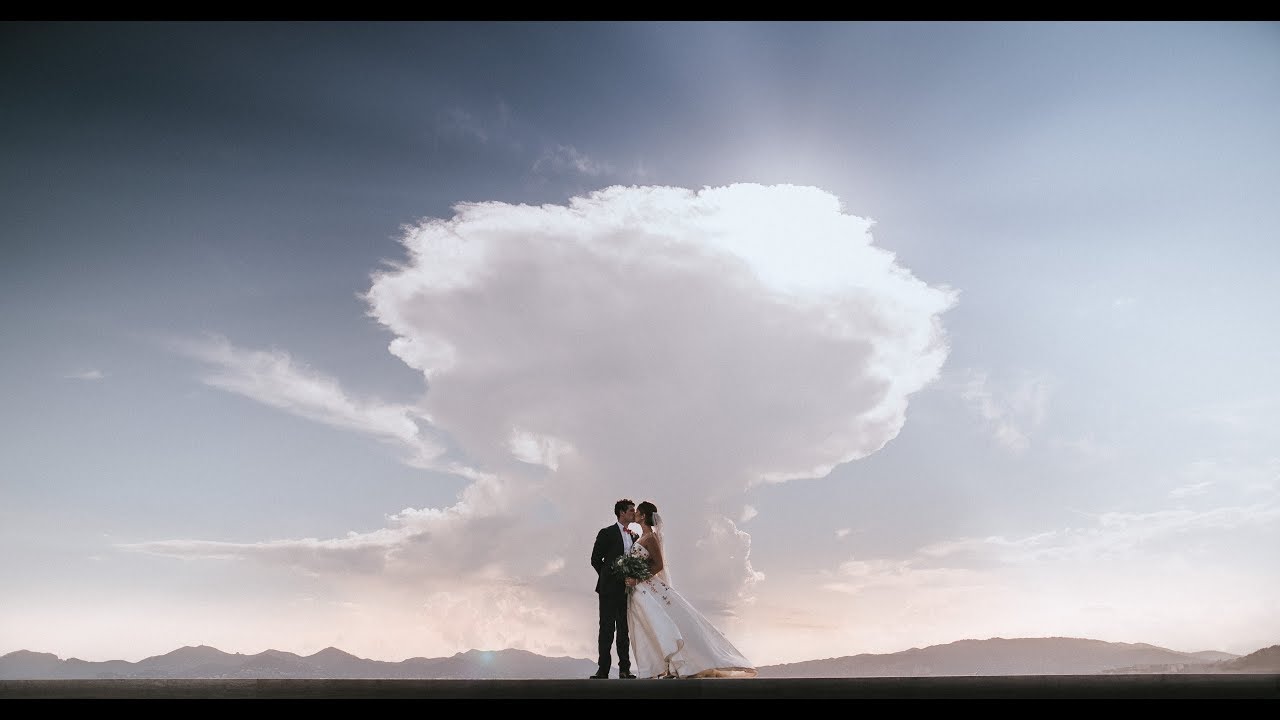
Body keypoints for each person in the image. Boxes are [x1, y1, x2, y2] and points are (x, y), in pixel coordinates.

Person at [625, 500, 757, 678]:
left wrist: (637, 577)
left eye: (637, 512)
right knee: (651, 626)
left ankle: (676, 664)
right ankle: (659, 666)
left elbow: (659, 565)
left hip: (647, 586)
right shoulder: (640, 537)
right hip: (639, 589)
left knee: (663, 624)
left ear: (643, 516)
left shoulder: (651, 538)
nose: (635, 514)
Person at [588, 498, 638, 679]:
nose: (634, 513)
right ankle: (603, 670)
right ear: (622, 513)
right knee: (607, 629)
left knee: (624, 630)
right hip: (609, 590)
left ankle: (625, 669)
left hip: (627, 591)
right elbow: (595, 559)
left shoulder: (634, 537)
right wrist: (609, 577)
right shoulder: (606, 533)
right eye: (631, 510)